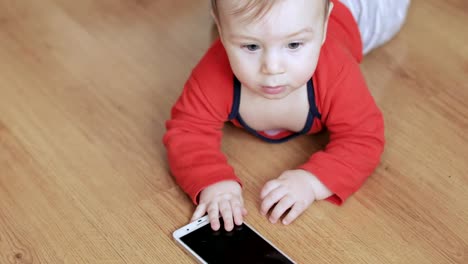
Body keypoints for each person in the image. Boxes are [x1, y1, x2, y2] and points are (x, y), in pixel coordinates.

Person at [163, 0, 410, 231]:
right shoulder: (213, 72)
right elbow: (187, 131)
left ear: (323, 28)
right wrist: (211, 180)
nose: (272, 67)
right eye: (251, 46)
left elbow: (363, 139)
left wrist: (312, 182)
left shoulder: (336, 71)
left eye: (293, 45)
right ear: (220, 29)